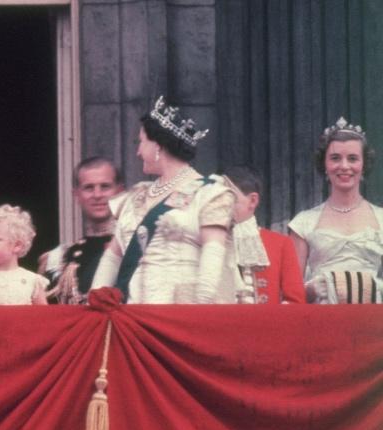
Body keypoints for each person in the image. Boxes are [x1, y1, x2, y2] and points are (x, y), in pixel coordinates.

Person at [91, 96, 238, 304]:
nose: (137, 151)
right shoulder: (135, 196)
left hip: (181, 314)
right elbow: (113, 258)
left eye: (141, 142)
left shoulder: (210, 194)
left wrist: (202, 311)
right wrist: (95, 301)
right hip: (133, 314)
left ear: (158, 146)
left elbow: (212, 258)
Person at [287, 117, 382, 304]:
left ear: (363, 165)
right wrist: (310, 290)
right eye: (335, 158)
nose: (344, 166)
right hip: (322, 322)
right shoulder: (303, 223)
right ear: (325, 165)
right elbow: (291, 294)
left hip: (374, 321)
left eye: (353, 158)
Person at [40, 157, 124, 304]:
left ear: (120, 191)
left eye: (105, 186)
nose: (97, 195)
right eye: (89, 188)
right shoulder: (61, 258)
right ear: (76, 194)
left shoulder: (136, 248)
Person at [222, 165, 304, 304]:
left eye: (227, 197)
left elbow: (295, 302)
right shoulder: (204, 241)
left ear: (253, 200)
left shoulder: (280, 244)